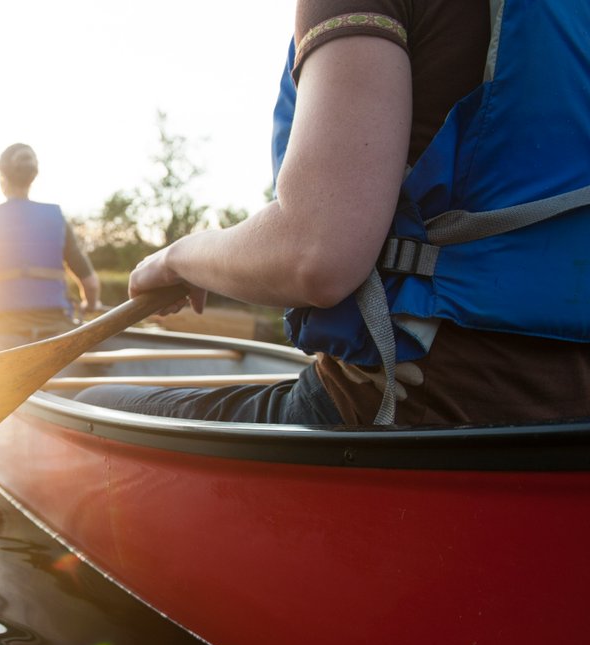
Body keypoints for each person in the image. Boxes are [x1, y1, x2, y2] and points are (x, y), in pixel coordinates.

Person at [79, 0, 590, 426]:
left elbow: (315, 255)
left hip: (416, 405)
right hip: (570, 420)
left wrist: (176, 257)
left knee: (91, 407)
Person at [0, 143, 100, 351]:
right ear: (33, 177)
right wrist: (90, 305)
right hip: (58, 333)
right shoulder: (57, 220)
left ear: (2, 177)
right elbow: (91, 284)